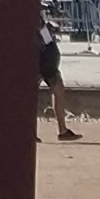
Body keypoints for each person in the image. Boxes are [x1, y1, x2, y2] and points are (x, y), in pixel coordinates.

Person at [37, 8, 78, 144]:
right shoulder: (29, 11)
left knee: (58, 90)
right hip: (39, 58)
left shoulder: (38, 13)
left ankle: (62, 130)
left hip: (47, 59)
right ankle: (30, 132)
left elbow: (43, 32)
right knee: (31, 97)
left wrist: (48, 28)